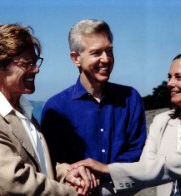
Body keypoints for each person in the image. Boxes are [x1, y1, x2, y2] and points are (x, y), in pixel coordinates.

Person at [70, 51, 181, 195]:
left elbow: (176, 164)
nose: (170, 83)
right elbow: (144, 172)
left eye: (179, 77)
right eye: (169, 77)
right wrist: (89, 191)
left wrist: (106, 168)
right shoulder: (161, 121)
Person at [0, 23, 98, 196]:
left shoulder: (23, 110)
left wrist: (69, 172)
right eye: (27, 64)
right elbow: (14, 183)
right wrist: (70, 192)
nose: (36, 69)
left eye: (35, 62)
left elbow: (40, 165)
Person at [41, 19, 147, 187]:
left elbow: (137, 151)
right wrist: (81, 178)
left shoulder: (130, 98)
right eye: (96, 53)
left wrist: (104, 171)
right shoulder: (56, 107)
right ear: (76, 58)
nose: (106, 59)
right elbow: (53, 162)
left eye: (109, 51)